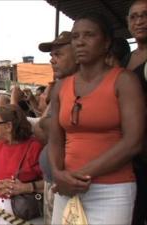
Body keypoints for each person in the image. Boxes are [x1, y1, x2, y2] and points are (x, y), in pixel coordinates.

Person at [49, 12, 145, 225]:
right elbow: (55, 138)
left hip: (112, 190)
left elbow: (133, 142)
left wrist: (77, 176)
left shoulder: (124, 81)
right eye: (75, 37)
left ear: (106, 43)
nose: (80, 42)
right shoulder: (61, 87)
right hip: (66, 187)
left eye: (89, 35)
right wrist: (58, 173)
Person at [37, 30, 79, 225]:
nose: (53, 60)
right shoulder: (61, 87)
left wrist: (46, 123)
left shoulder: (80, 88)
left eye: (59, 54)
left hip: (72, 184)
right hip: (54, 181)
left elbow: (46, 129)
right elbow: (41, 129)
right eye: (51, 55)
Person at [0, 105, 44, 225]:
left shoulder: (35, 146)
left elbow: (50, 183)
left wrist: (26, 187)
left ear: (8, 126)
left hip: (24, 213)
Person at [124, 1, 147, 225]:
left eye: (145, 15)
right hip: (132, 156)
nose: (139, 21)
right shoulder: (126, 59)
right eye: (134, 17)